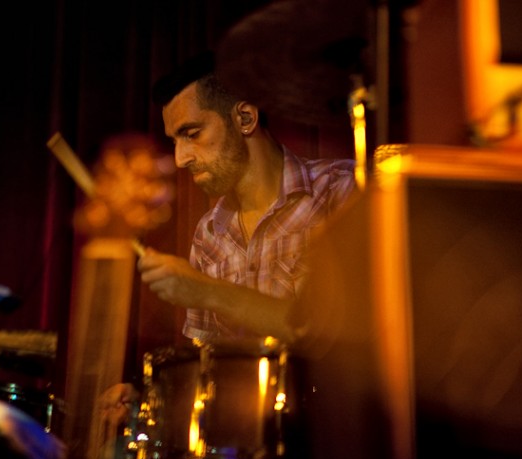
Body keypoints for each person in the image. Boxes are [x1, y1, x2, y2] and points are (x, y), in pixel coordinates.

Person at [137, 50, 357, 345]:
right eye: (174, 141)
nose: (180, 158)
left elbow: (339, 332)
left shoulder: (341, 191)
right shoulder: (207, 235)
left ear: (245, 118)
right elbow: (205, 363)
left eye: (192, 134)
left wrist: (207, 291)